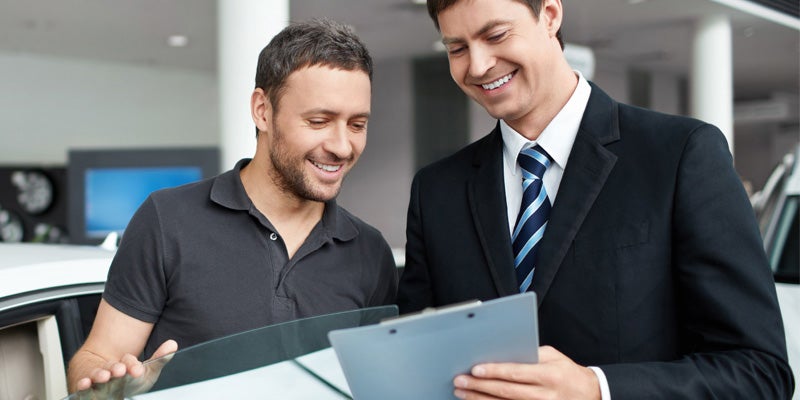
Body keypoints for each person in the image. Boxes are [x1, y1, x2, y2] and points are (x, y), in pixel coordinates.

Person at [396, 0, 794, 399]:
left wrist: (597, 389)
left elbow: (759, 371)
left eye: (496, 35)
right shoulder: (436, 192)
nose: (479, 66)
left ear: (550, 15)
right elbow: (413, 364)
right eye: (457, 49)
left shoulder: (680, 155)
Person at [68, 18, 398, 393]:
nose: (341, 146)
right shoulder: (167, 219)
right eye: (319, 121)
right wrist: (108, 386)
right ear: (262, 110)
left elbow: (374, 383)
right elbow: (96, 357)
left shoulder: (370, 252)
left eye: (357, 125)